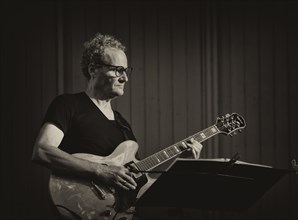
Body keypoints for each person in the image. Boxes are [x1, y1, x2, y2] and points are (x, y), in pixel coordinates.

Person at [31, 33, 203, 220]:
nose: (125, 79)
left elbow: (142, 187)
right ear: (93, 69)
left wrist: (182, 164)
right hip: (79, 208)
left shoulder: (122, 124)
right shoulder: (69, 104)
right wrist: (102, 171)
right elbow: (42, 151)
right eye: (117, 70)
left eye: (126, 71)